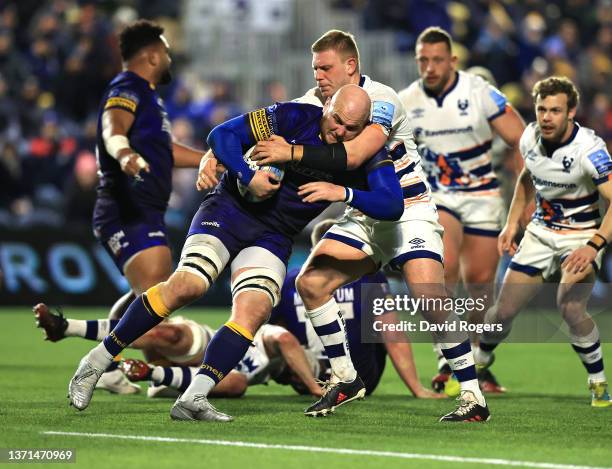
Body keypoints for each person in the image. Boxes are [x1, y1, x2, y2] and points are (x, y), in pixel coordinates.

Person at [66, 84, 404, 421]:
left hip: (275, 235)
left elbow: (391, 203)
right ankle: (95, 362)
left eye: (352, 128)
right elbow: (222, 135)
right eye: (338, 121)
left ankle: (194, 398)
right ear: (327, 106)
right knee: (189, 285)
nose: (341, 131)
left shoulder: (363, 153)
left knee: (254, 310)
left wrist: (341, 191)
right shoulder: (292, 115)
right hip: (230, 211)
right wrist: (248, 175)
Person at [247, 30, 489, 421]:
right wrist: (215, 155)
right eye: (314, 69)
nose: (318, 76)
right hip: (363, 215)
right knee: (312, 283)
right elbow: (260, 125)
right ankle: (345, 378)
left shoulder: (382, 100)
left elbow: (357, 152)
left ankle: (474, 397)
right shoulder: (317, 102)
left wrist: (294, 153)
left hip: (407, 210)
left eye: (325, 67)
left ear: (350, 66)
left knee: (430, 298)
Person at [34, 20, 205, 394]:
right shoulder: (126, 87)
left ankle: (94, 351)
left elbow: (166, 151)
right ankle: (119, 368)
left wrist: (211, 160)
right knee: (157, 302)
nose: (170, 57)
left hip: (143, 210)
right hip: (127, 209)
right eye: (167, 51)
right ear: (152, 55)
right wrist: (123, 152)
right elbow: (112, 129)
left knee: (151, 299)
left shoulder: (148, 96)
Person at [397, 27, 525, 392]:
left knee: (481, 288)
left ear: (452, 60)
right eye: (423, 60)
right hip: (437, 197)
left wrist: (526, 198)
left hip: (484, 195)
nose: (430, 67)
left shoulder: (480, 92)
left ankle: (472, 361)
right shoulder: (407, 101)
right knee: (445, 266)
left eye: (437, 60)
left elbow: (521, 141)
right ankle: (445, 358)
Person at [474, 76, 612, 408]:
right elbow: (527, 178)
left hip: (581, 237)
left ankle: (598, 382)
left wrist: (593, 245)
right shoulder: (529, 139)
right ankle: (480, 361)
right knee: (502, 312)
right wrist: (511, 223)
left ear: (571, 112)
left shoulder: (590, 151)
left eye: (555, 110)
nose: (546, 117)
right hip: (540, 234)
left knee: (570, 304)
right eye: (541, 109)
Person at [270, 219, 444, 399]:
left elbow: (272, 333)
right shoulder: (368, 277)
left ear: (313, 252)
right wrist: (417, 389)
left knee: (279, 330)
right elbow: (392, 335)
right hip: (362, 380)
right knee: (380, 325)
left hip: (308, 380)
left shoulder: (291, 282)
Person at [34, 304, 322, 398]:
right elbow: (285, 341)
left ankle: (151, 373)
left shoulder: (262, 373)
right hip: (208, 342)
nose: (294, 378)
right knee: (166, 332)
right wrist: (314, 387)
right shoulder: (269, 337)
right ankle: (65, 327)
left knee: (237, 384)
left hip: (189, 374)